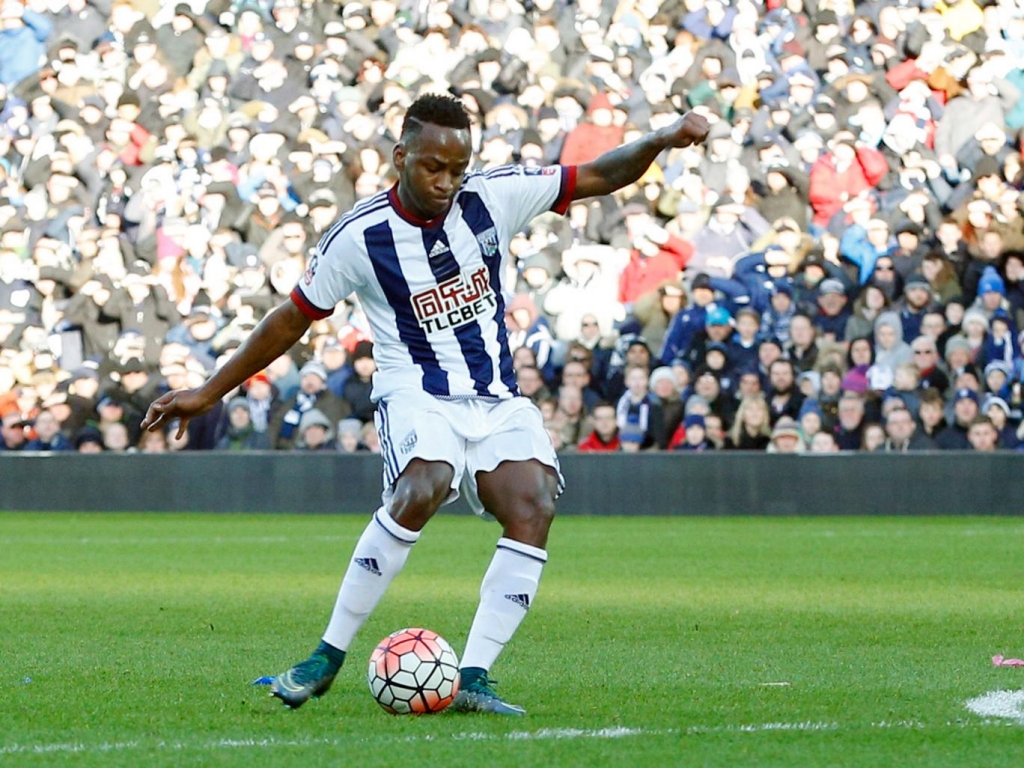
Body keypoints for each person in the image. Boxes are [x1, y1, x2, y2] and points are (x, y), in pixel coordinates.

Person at [142, 93, 710, 715]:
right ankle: (325, 657)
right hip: (416, 393)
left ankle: (473, 678)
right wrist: (206, 393)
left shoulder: (493, 198)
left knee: (534, 504)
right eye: (432, 166)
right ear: (401, 155)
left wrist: (660, 139)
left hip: (495, 396)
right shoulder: (358, 237)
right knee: (423, 486)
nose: (445, 181)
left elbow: (600, 174)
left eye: (457, 168)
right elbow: (290, 320)